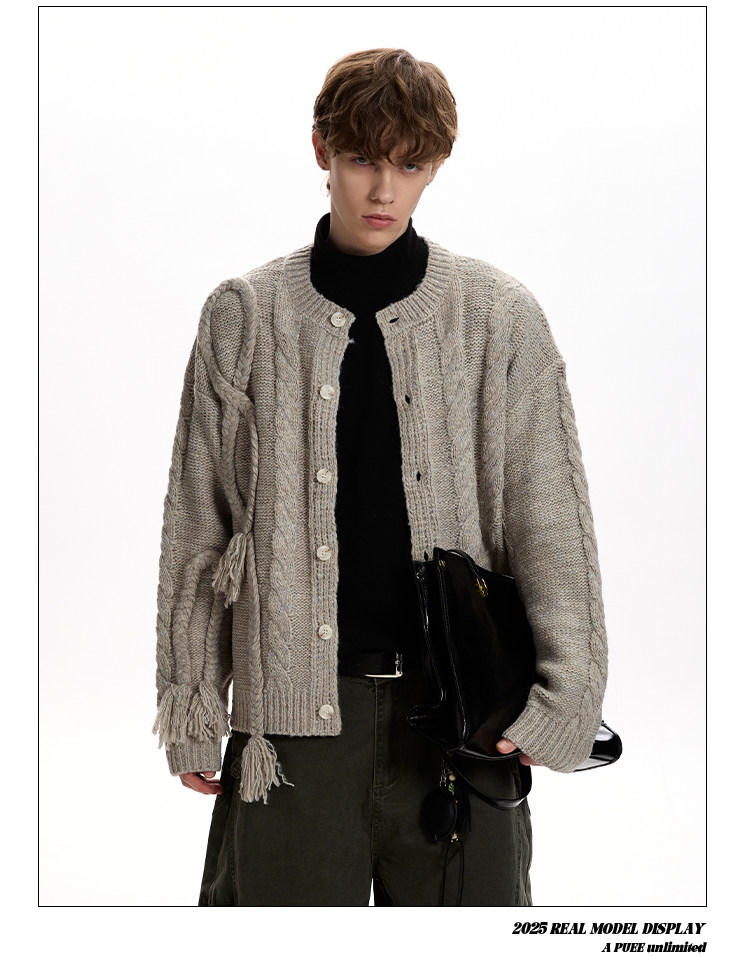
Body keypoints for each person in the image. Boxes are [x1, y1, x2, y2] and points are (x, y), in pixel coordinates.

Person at [152, 47, 608, 907]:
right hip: (290, 730)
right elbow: (200, 529)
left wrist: (567, 694)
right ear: (321, 148)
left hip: (463, 726)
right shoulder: (244, 316)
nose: (384, 190)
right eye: (364, 158)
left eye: (411, 164)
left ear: (436, 166)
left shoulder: (499, 319)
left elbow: (547, 517)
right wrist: (193, 705)